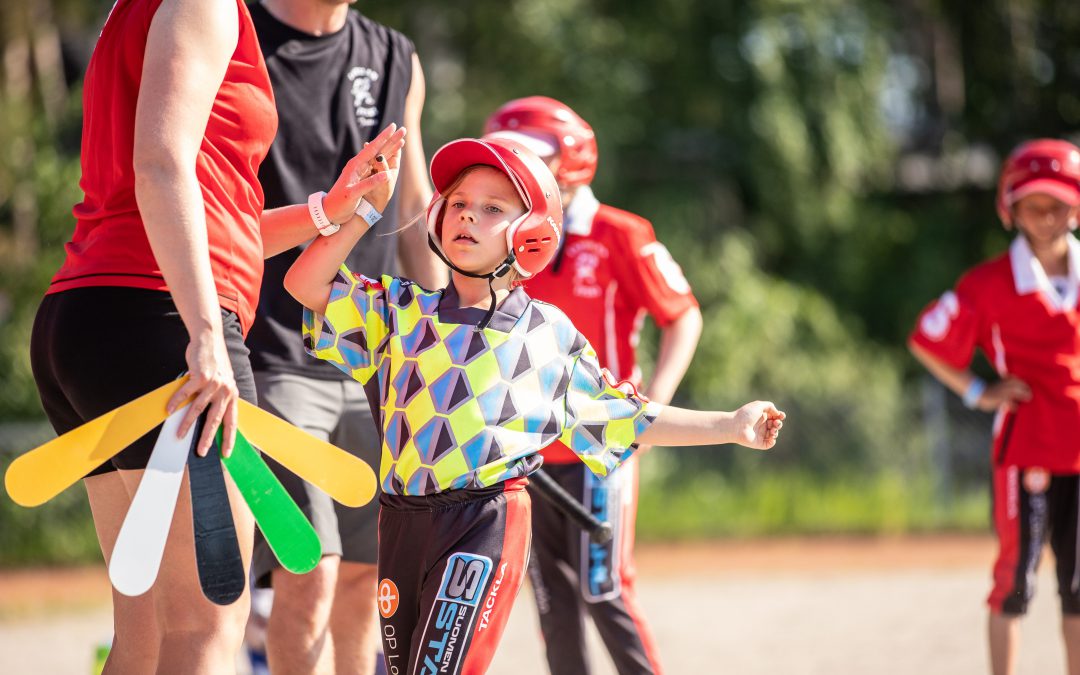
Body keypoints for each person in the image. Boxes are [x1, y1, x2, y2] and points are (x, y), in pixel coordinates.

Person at [284, 135, 785, 674]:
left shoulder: (546, 335)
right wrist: (359, 211)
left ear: (532, 235)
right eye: (457, 203)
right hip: (400, 518)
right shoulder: (399, 309)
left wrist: (731, 424)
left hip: (483, 520)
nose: (468, 217)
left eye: (493, 209)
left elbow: (632, 417)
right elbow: (303, 281)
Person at [27, 0, 402, 670]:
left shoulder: (140, 10)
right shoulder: (203, 3)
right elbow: (161, 168)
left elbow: (205, 221)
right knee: (208, 622)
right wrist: (204, 334)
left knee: (145, 631)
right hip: (159, 321)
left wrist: (326, 210)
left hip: (93, 315)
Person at [245, 2, 441, 672]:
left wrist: (444, 337)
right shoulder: (228, 28)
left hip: (370, 358)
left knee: (366, 577)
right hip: (268, 354)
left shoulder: (396, 57)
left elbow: (415, 212)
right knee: (310, 569)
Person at [483, 95, 702, 674]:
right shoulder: (508, 238)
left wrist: (653, 407)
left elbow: (682, 314)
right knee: (552, 605)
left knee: (604, 590)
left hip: (600, 444)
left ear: (571, 157)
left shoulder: (619, 233)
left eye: (526, 155)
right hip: (525, 449)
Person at [909, 139, 1080, 675]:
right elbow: (926, 339)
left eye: (1058, 204)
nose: (1047, 217)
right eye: (1034, 205)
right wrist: (978, 391)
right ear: (1011, 208)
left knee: (1078, 584)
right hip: (1024, 447)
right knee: (1014, 580)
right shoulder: (988, 285)